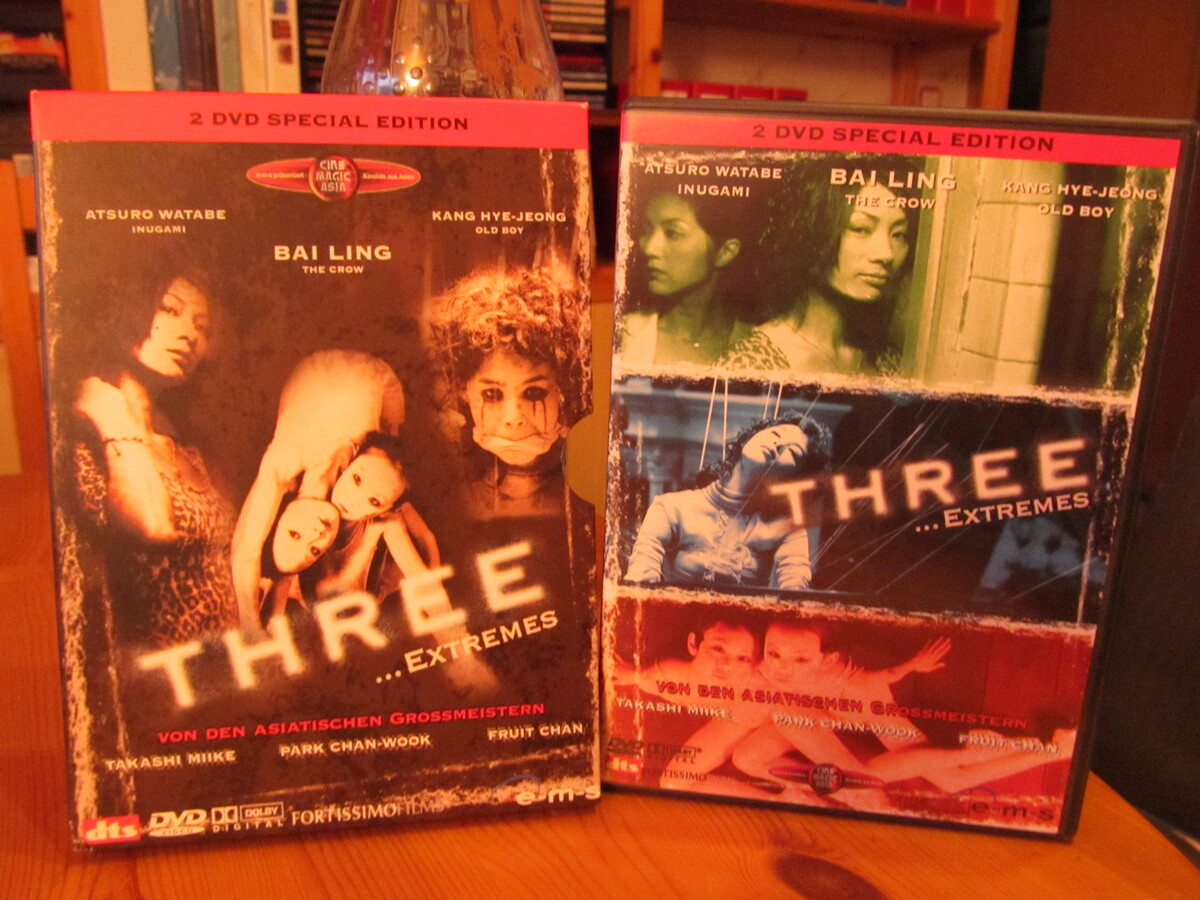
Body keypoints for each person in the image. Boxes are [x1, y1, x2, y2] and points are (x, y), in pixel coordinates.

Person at [70, 271, 239, 647]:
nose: (190, 335)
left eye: (201, 327)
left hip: (225, 666)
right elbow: (154, 524)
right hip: (160, 669)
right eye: (170, 310)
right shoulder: (91, 435)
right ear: (124, 311)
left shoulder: (186, 447)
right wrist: (111, 411)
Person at [730, 622, 1077, 799]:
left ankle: (983, 749)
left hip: (871, 710)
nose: (782, 666)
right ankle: (1054, 749)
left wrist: (913, 665)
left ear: (827, 659)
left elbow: (882, 677)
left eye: (800, 659)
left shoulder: (852, 682)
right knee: (952, 782)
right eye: (774, 654)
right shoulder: (767, 668)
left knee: (953, 775)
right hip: (835, 715)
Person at [231, 351, 437, 626]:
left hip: (345, 371)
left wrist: (250, 626)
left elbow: (247, 546)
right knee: (394, 471)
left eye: (294, 533)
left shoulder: (282, 465)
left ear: (277, 515)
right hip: (372, 388)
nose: (315, 533)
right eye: (315, 550)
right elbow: (287, 563)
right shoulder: (349, 494)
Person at [725, 157, 923, 376]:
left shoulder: (888, 361)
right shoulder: (750, 365)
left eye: (899, 234)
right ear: (812, 232)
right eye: (861, 229)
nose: (886, 254)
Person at [429, 266, 589, 517]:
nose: (513, 418)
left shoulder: (588, 483)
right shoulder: (446, 489)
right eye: (492, 394)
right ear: (463, 389)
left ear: (562, 389)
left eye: (533, 392)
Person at [624, 415, 831, 591]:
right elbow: (640, 582)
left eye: (792, 452)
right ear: (751, 437)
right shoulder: (670, 507)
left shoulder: (786, 529)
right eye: (776, 434)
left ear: (795, 478)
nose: (777, 445)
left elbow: (796, 595)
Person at [620, 183, 754, 366]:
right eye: (647, 230)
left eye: (672, 233)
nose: (649, 248)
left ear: (725, 252)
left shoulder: (758, 347)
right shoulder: (624, 335)